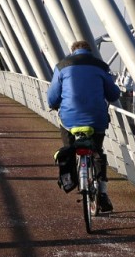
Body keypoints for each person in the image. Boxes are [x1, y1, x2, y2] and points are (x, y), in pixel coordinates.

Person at [47, 40, 121, 212]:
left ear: (72, 51)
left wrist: (55, 105)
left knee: (70, 147)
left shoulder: (62, 66)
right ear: (90, 51)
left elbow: (52, 98)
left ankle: (72, 178)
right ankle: (102, 193)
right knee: (97, 151)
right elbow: (113, 93)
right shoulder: (101, 66)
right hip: (96, 118)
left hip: (69, 118)